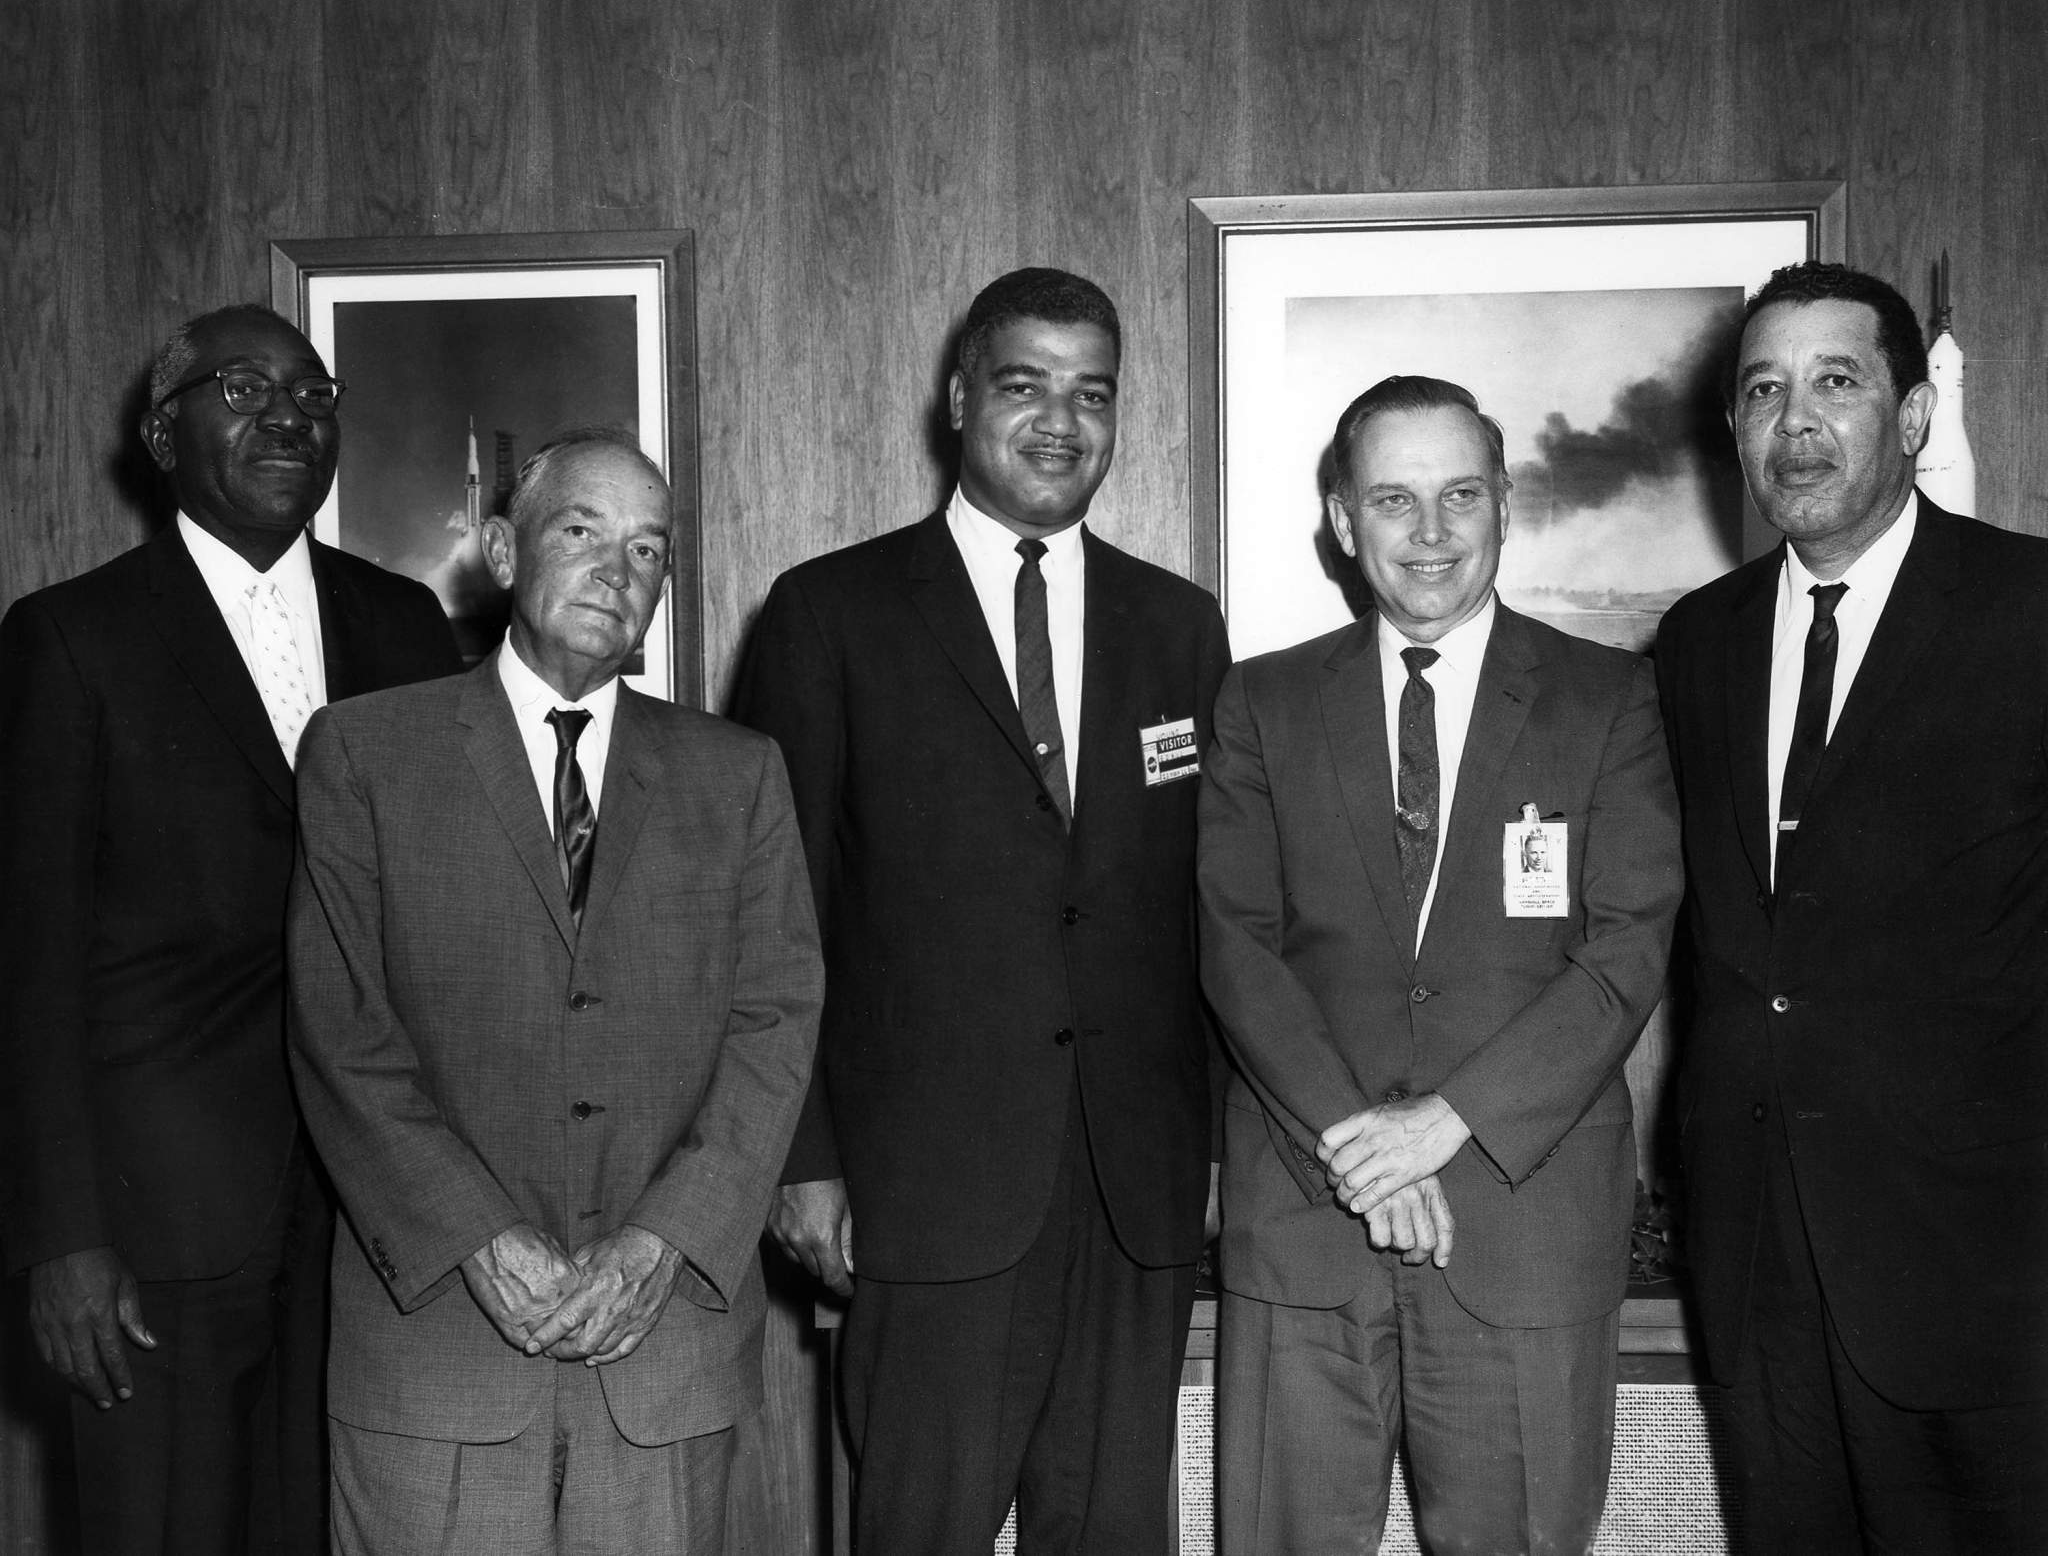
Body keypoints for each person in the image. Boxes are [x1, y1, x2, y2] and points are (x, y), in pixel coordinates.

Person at [732, 267, 1231, 1553]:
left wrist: (1218, 1148)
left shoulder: (1178, 627)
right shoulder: (827, 614)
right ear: (959, 399)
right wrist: (802, 1158)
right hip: (922, 1192)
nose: (1059, 420)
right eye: (1024, 386)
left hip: (1136, 1194)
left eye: (1091, 392)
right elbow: (767, 918)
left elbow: (1211, 914)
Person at [284, 428, 821, 1552]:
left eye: (647, 551)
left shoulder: (738, 775)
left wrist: (658, 1243)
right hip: (436, 1353)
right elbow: (341, 1033)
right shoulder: (365, 755)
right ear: (500, 549)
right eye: (582, 532)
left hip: (661, 1352)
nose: (618, 571)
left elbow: (774, 1026)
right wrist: (482, 1239)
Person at [0, 303, 458, 1555]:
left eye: (314, 397)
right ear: (164, 432)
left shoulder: (406, 624)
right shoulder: (69, 638)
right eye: (243, 391)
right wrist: (62, 1239)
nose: (288, 419)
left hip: (370, 1217)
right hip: (156, 1227)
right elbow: (25, 967)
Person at [1198, 375, 1681, 1554]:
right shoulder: (1260, 703)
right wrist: (1367, 1150)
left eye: (1459, 494)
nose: (1428, 533)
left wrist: (1445, 1123)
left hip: (1521, 1230)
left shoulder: (1606, 699)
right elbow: (1234, 943)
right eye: (1393, 499)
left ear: (1504, 507)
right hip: (1309, 1216)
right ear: (1339, 519)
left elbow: (1625, 952)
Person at [1655, 261, 2048, 1553]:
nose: (1796, 422)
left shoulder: (2029, 611)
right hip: (1759, 1262)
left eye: (1836, 381)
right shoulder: (1695, 644)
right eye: (1762, 390)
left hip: (1984, 1273)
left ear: (1918, 414)